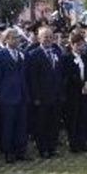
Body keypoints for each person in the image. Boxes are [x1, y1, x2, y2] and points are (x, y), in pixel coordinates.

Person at [0, 27, 29, 162]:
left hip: (21, 95)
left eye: (17, 38)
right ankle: (8, 151)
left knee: (21, 124)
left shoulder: (22, 54)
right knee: (7, 125)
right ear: (6, 39)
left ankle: (21, 150)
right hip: (6, 96)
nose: (16, 40)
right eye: (13, 38)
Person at [26, 26, 65, 158]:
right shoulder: (34, 55)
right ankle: (43, 148)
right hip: (42, 96)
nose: (48, 39)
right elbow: (33, 78)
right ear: (39, 38)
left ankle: (52, 147)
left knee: (54, 123)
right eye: (45, 37)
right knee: (42, 123)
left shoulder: (57, 52)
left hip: (56, 95)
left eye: (50, 36)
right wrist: (36, 96)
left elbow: (60, 74)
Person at [63, 31, 87, 153]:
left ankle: (83, 141)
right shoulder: (67, 58)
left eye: (83, 44)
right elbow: (70, 76)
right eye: (79, 45)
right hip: (73, 93)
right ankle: (73, 143)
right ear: (72, 45)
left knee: (83, 117)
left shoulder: (86, 58)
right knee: (73, 118)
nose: (81, 47)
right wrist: (81, 84)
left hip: (85, 92)